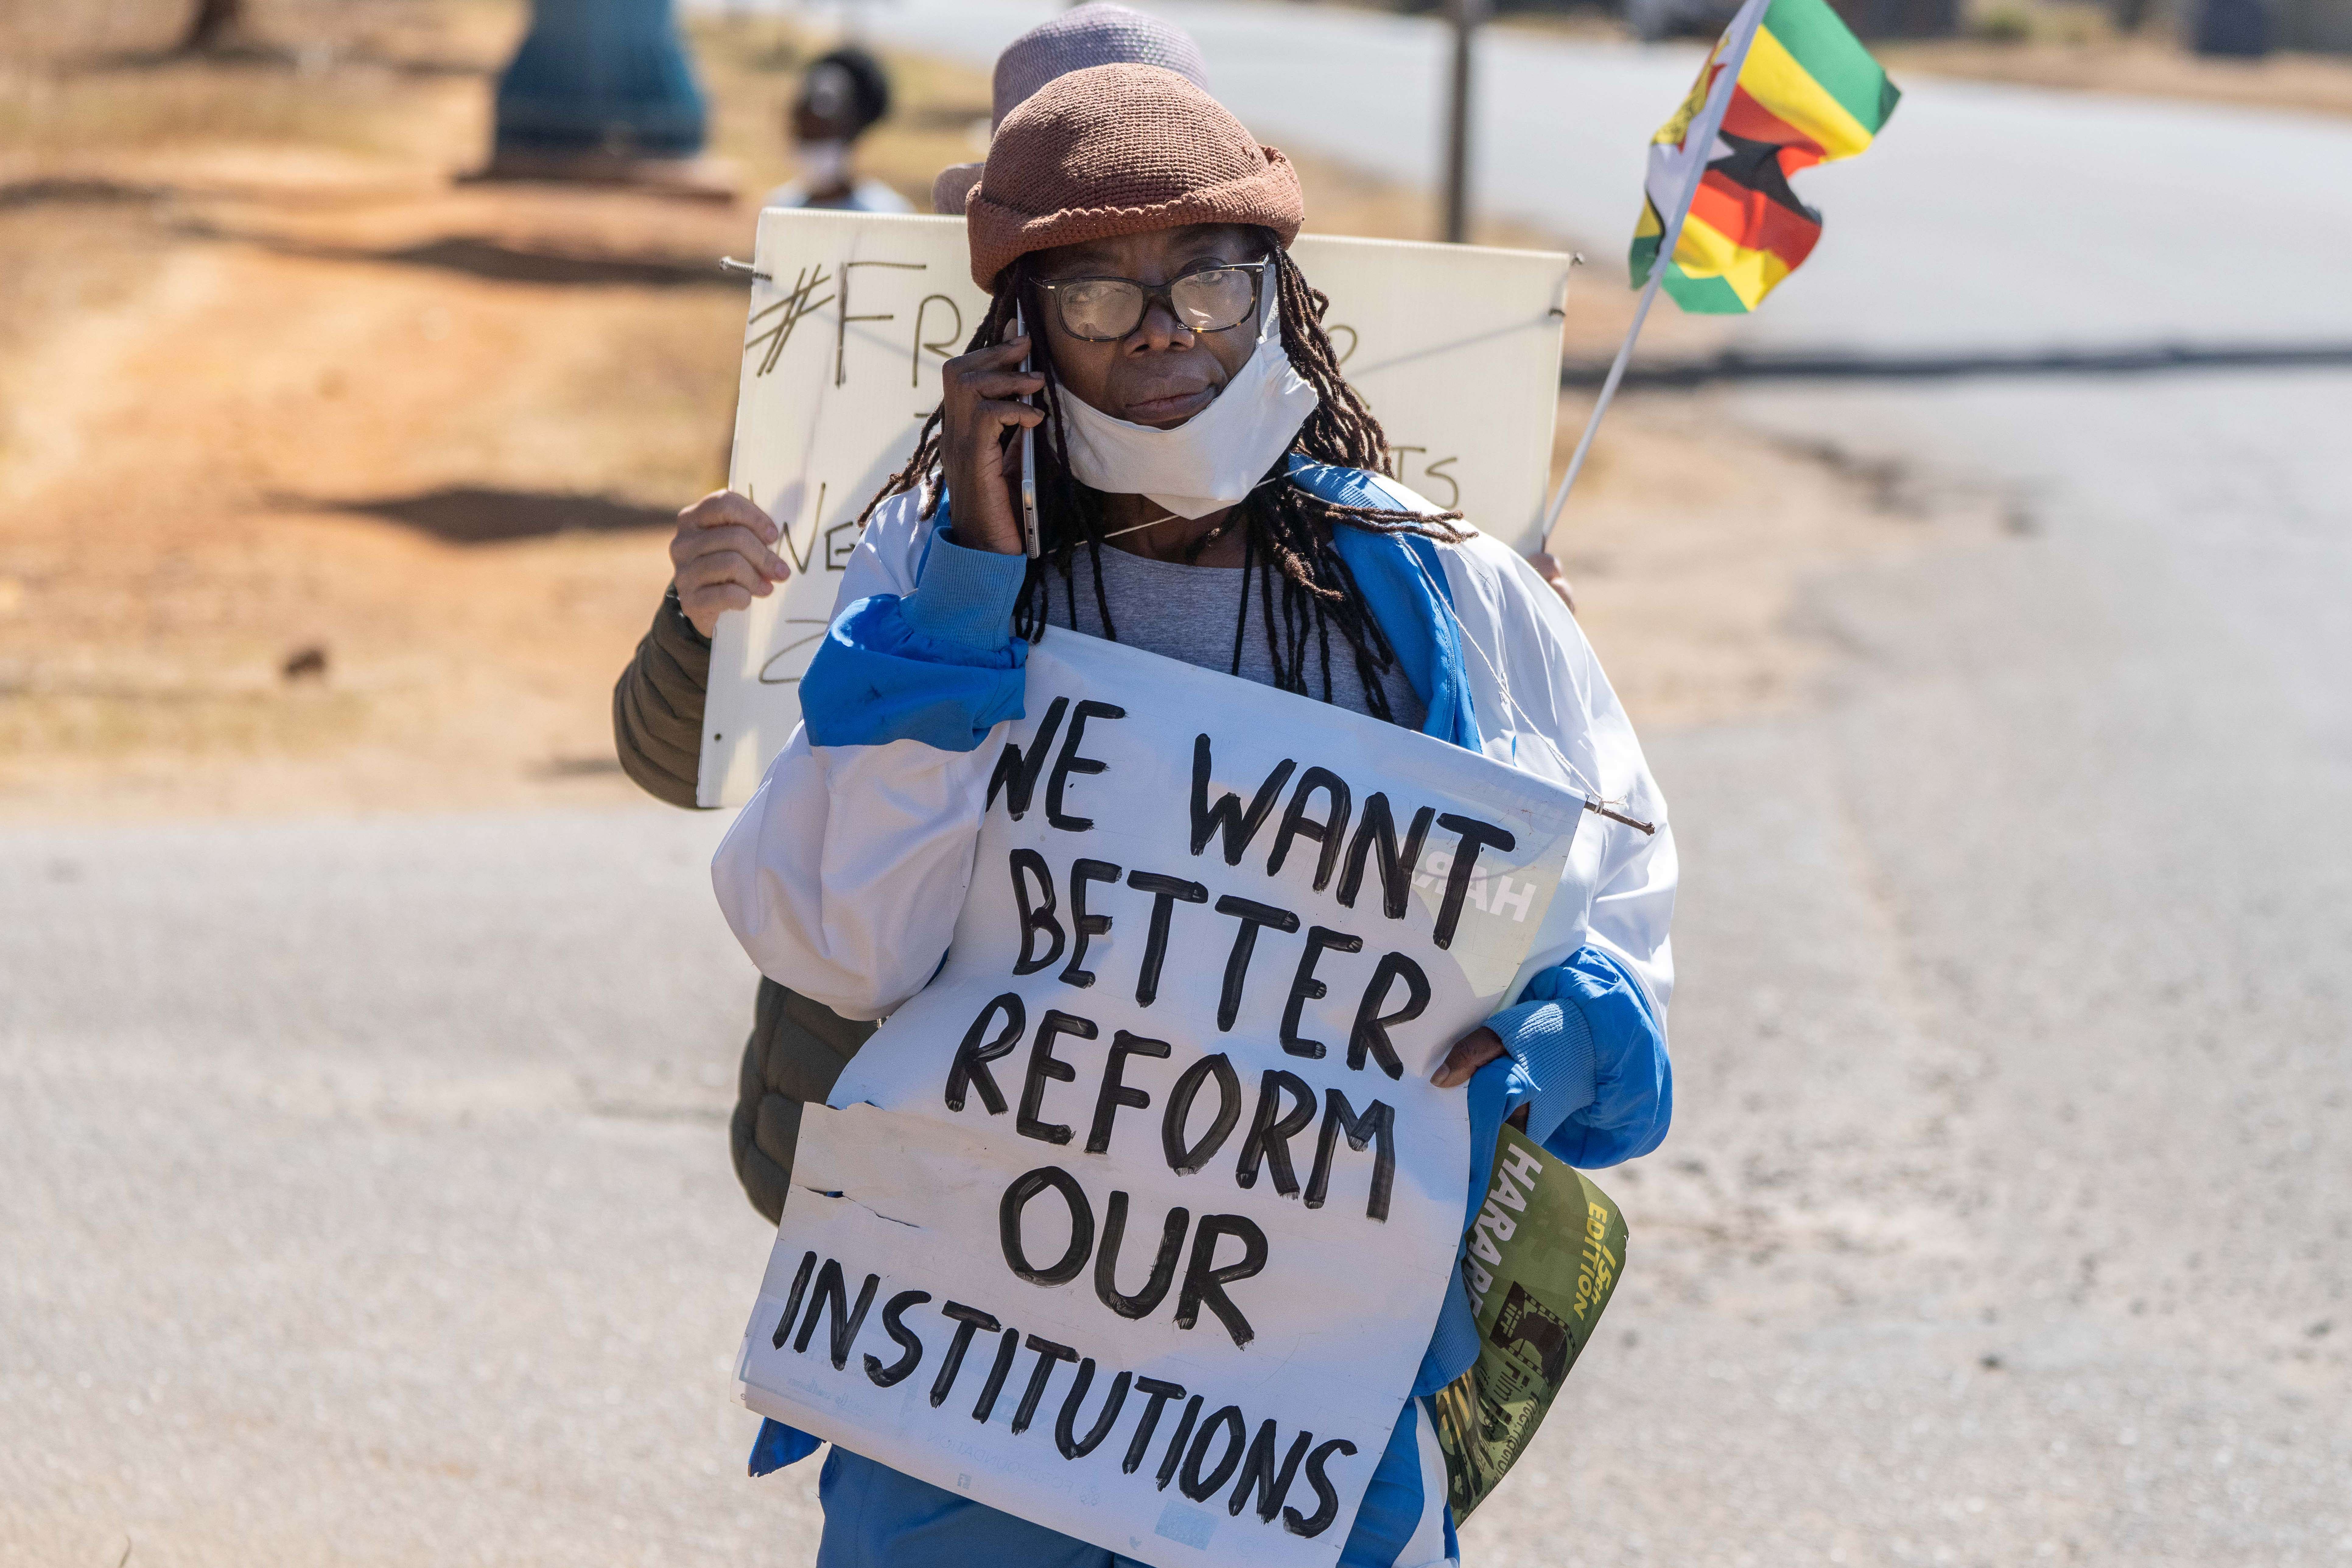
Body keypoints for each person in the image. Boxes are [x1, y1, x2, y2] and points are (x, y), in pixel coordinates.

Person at [707, 65, 1673, 1568]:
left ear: (1273, 298)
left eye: (1212, 282)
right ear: (1021, 332)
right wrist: (970, 575)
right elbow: (848, 944)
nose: (1168, 331)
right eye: (1101, 295)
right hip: (972, 1385)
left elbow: (1611, 919)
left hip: (1295, 1409)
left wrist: (1548, 1045)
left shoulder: (1434, 590)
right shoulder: (931, 562)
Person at [760, 44, 909, 215]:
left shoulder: (884, 213)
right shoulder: (779, 209)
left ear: (852, 132)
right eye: (805, 131)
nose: (812, 144)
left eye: (823, 132)